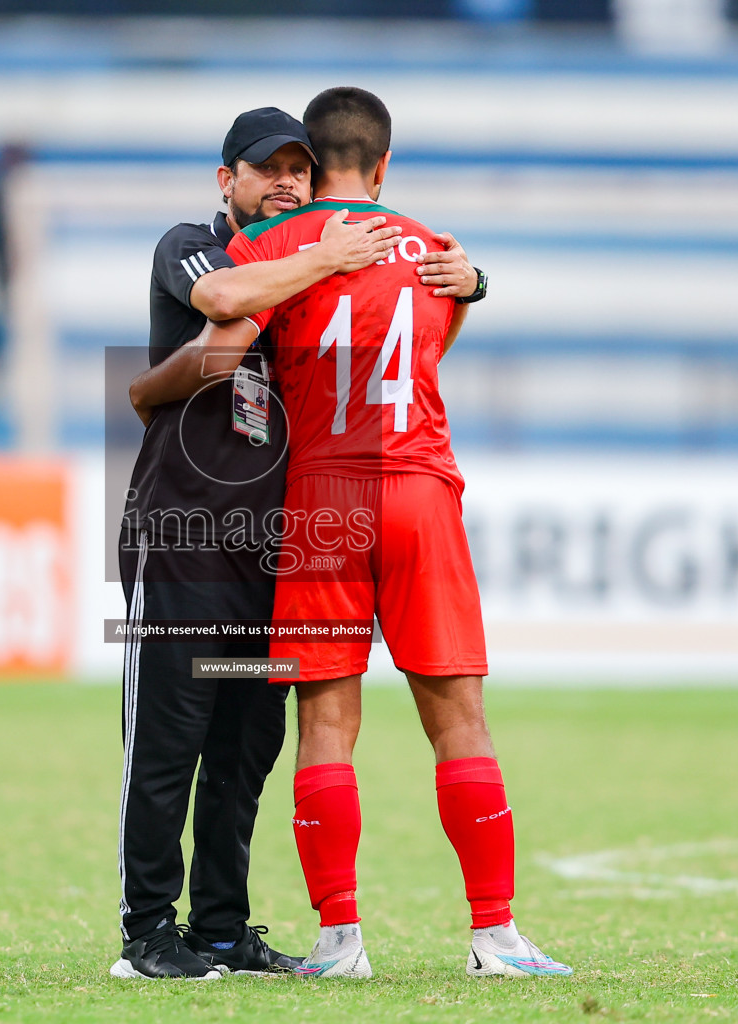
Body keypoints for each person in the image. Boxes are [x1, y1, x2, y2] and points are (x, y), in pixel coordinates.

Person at [183, 86, 571, 980]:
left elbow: (226, 320)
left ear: (310, 168)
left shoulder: (279, 243)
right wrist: (473, 283)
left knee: (325, 720)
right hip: (420, 487)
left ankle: (341, 943)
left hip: (323, 493)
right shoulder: (437, 250)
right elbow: (432, 338)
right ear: (385, 164)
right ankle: (496, 936)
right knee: (460, 719)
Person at [117, 106, 480, 981]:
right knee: (171, 734)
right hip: (186, 532)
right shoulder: (197, 244)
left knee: (248, 740)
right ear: (226, 181)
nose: (285, 183)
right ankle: (146, 932)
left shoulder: (312, 269)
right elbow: (220, 305)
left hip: (278, 543)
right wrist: (327, 250)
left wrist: (467, 283)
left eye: (300, 171)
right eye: (265, 169)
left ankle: (219, 928)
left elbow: (399, 337)